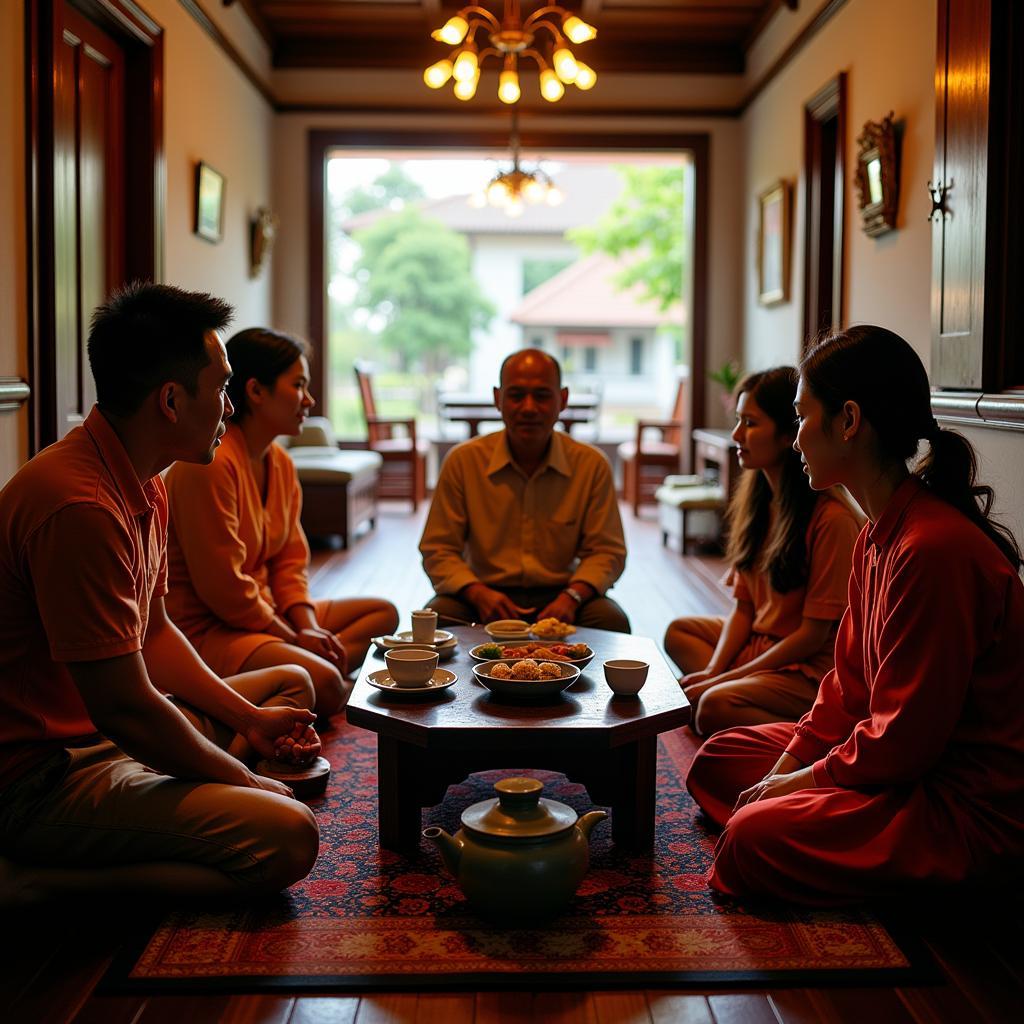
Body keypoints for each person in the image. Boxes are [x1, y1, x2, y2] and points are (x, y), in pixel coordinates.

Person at [0, 283, 322, 909]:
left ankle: (178, 787)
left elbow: (156, 636)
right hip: (40, 777)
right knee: (287, 836)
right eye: (223, 387)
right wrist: (247, 778)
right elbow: (125, 707)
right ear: (172, 400)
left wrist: (249, 720)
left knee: (288, 687)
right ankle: (29, 886)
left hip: (107, 738)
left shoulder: (146, 479)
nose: (229, 408)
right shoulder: (79, 506)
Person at [687, 326, 1024, 905]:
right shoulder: (876, 534)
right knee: (719, 761)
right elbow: (845, 687)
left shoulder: (932, 548)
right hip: (896, 763)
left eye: (799, 418)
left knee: (750, 837)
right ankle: (810, 818)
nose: (795, 440)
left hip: (957, 800)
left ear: (848, 420)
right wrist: (785, 772)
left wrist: (791, 787)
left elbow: (906, 741)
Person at [165, 327, 398, 718]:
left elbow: (291, 561)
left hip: (267, 613)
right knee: (321, 680)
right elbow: (222, 589)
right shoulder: (211, 466)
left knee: (383, 614)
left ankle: (320, 682)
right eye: (298, 385)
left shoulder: (282, 464)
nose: (309, 399)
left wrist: (307, 626)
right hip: (212, 629)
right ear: (256, 391)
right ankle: (326, 685)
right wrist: (294, 637)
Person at [664, 367, 860, 737]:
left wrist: (726, 680)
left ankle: (821, 734)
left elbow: (812, 638)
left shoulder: (832, 519)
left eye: (750, 423)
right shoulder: (757, 502)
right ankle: (733, 693)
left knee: (712, 707)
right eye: (738, 421)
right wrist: (713, 672)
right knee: (679, 633)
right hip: (762, 645)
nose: (737, 435)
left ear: (789, 434)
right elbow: (743, 607)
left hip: (807, 667)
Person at [420, 348, 629, 632]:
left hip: (563, 593)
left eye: (542, 396)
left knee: (610, 620)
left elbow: (608, 551)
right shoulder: (463, 462)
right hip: (482, 593)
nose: (529, 408)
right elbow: (438, 548)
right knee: (439, 616)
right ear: (498, 399)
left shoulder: (591, 465)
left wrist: (572, 596)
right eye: (516, 395)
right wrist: (478, 593)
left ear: (563, 399)